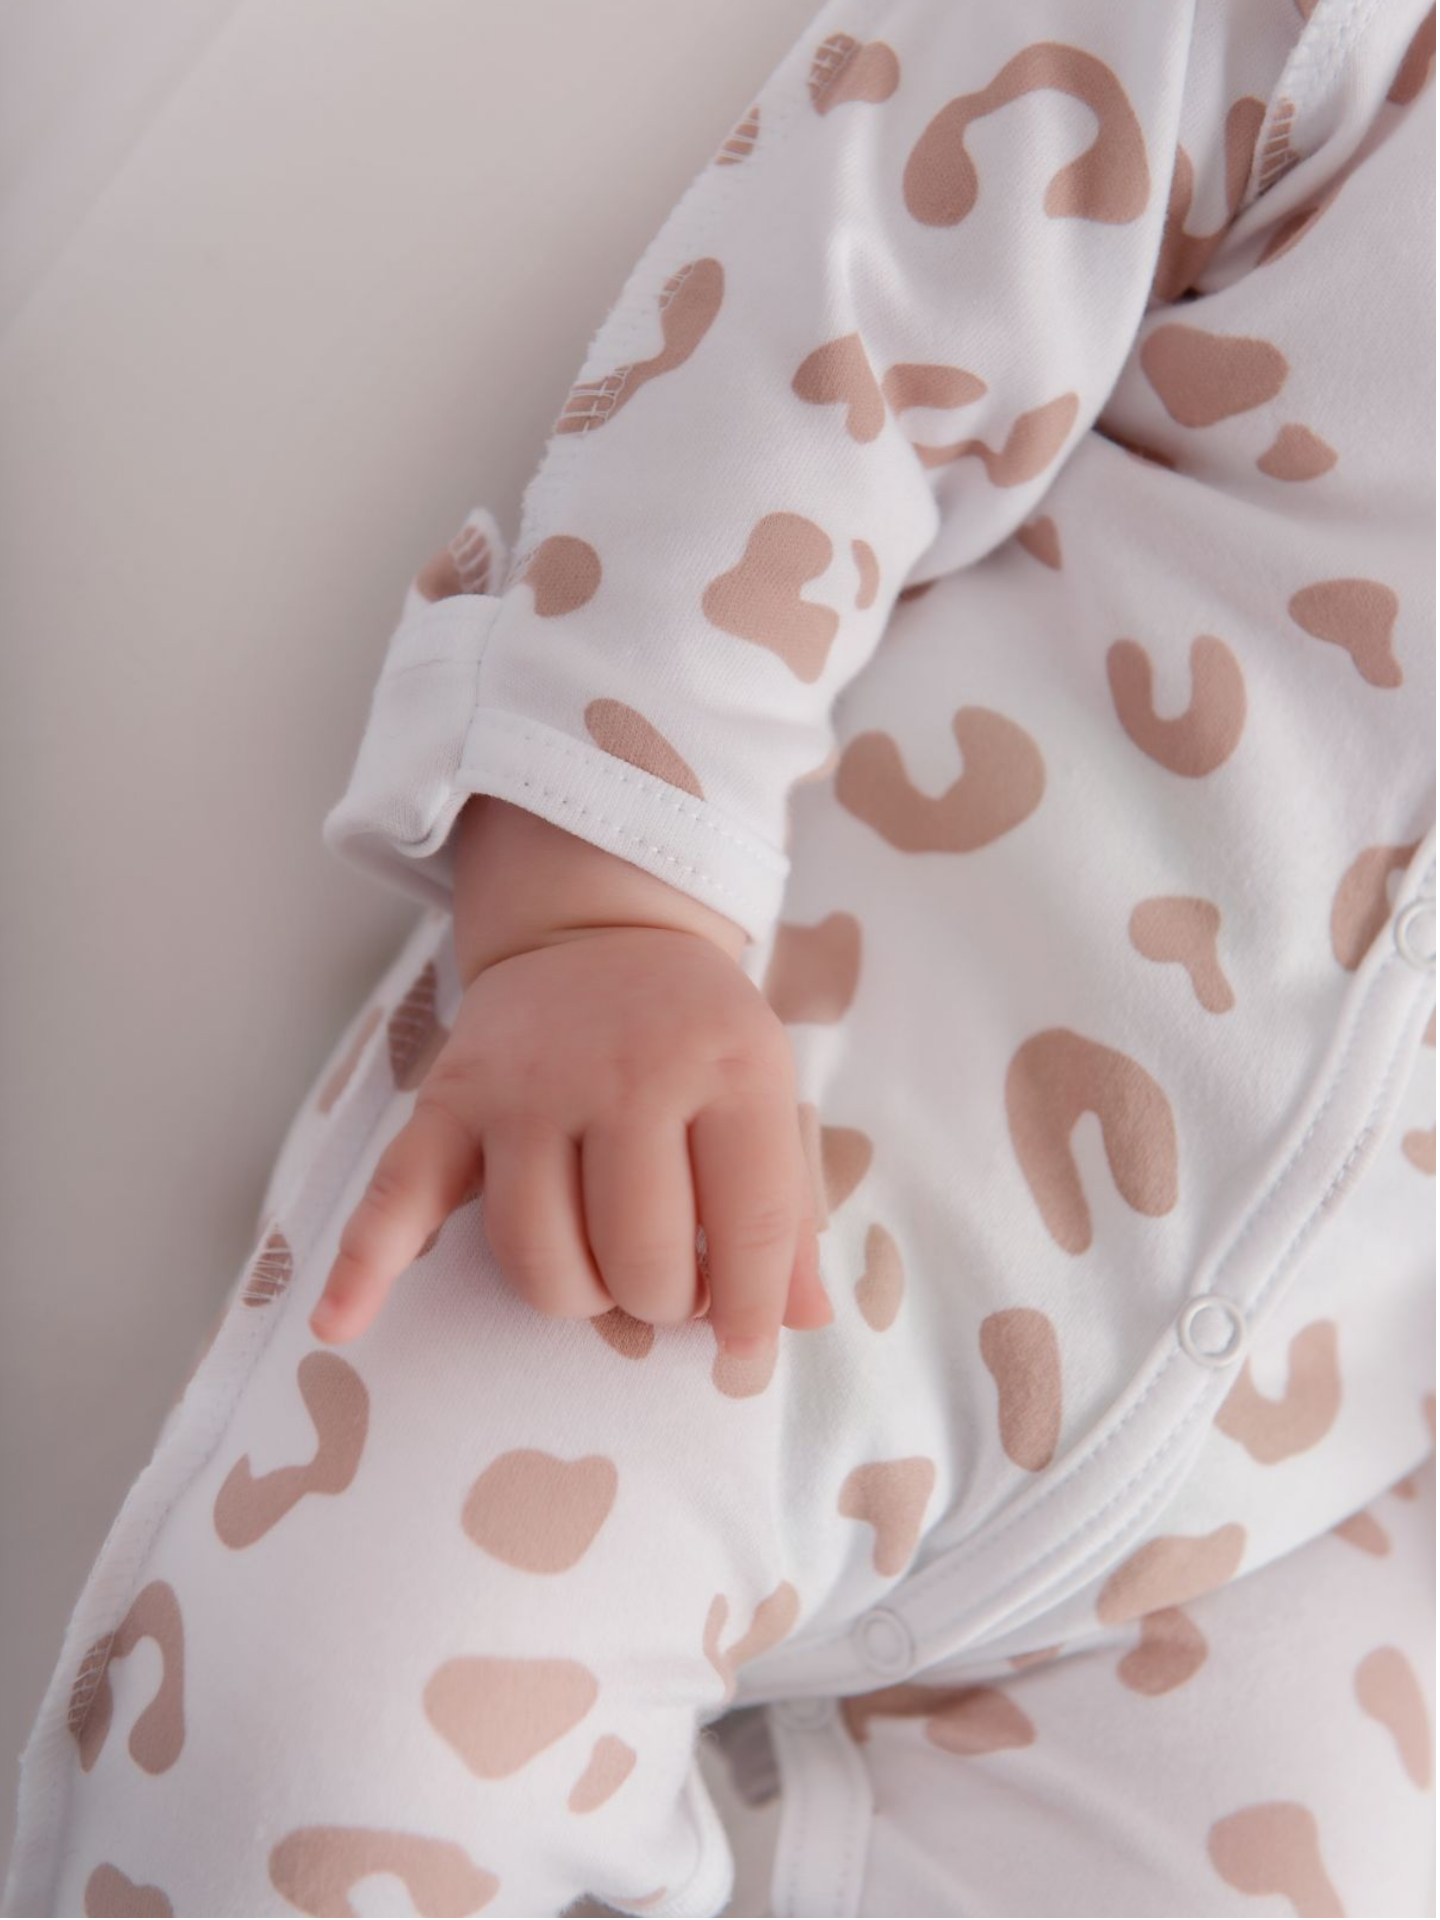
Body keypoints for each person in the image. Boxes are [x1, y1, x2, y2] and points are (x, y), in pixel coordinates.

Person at [6, 1, 1435, 1914]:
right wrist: (609, 894)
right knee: (318, 1742)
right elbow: (861, 304)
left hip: (1296, 1532)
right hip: (744, 1161)